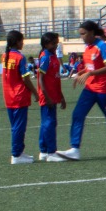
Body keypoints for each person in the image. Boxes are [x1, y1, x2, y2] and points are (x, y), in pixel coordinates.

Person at [60, 21, 106, 161]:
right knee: (77, 114)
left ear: (91, 32)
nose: (82, 37)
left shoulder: (103, 46)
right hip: (90, 89)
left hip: (104, 90)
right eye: (80, 34)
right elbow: (90, 66)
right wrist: (81, 73)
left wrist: (90, 74)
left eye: (83, 34)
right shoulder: (88, 47)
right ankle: (75, 149)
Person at [1, 30, 36, 164]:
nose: (23, 43)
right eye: (22, 40)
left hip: (8, 95)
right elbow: (26, 79)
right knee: (19, 126)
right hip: (19, 95)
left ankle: (20, 152)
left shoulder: (5, 55)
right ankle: (16, 154)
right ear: (17, 42)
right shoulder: (20, 58)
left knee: (15, 125)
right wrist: (35, 92)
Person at [36, 32, 67, 161]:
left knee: (47, 123)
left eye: (57, 43)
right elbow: (40, 79)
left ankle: (43, 150)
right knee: (49, 123)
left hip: (53, 95)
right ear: (46, 44)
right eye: (54, 43)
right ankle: (51, 152)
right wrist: (46, 96)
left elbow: (55, 79)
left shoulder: (53, 57)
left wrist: (61, 96)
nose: (56, 45)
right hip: (48, 97)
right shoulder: (45, 58)